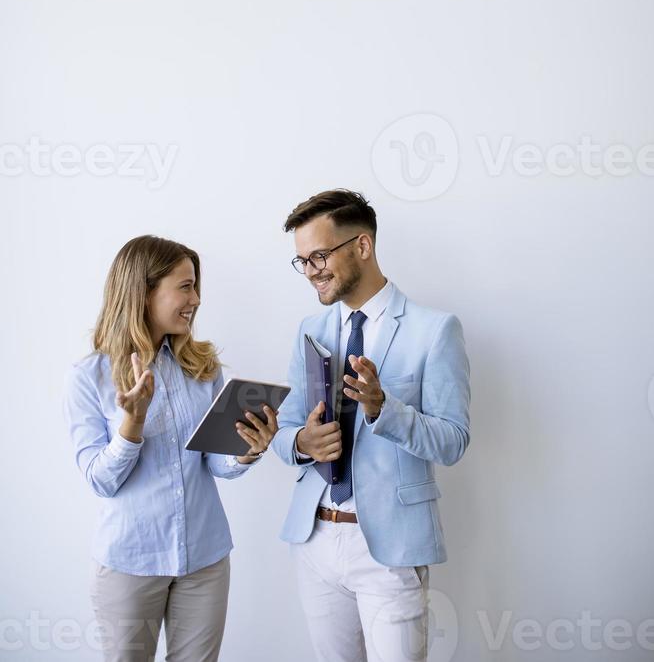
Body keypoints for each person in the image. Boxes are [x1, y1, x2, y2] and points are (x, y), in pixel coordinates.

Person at [271, 190, 471, 662]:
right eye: (302, 261)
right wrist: (301, 442)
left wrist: (384, 409)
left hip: (388, 547)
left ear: (362, 245)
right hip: (315, 539)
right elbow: (284, 432)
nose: (312, 270)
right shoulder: (310, 330)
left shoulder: (434, 330)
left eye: (319, 255)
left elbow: (453, 441)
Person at [63, 235, 277, 662]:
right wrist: (133, 421)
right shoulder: (89, 377)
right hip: (130, 564)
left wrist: (246, 450)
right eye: (185, 286)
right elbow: (101, 481)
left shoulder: (201, 367)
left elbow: (213, 461)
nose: (196, 299)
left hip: (205, 558)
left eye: (196, 287)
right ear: (144, 292)